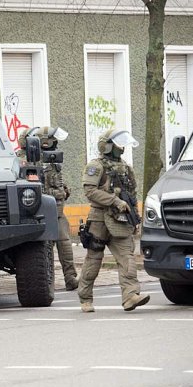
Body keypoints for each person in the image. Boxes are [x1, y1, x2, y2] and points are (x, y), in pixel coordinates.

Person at [78, 128, 149, 312]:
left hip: (121, 220)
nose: (122, 147)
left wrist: (135, 219)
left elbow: (132, 196)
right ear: (107, 146)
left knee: (127, 258)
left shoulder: (125, 168)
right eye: (118, 143)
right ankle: (85, 298)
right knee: (93, 259)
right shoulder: (96, 166)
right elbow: (90, 191)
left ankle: (130, 296)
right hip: (99, 219)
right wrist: (114, 200)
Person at [32, 126, 78, 291]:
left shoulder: (52, 159)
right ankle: (45, 280)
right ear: (45, 142)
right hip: (43, 212)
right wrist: (57, 192)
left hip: (58, 212)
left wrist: (63, 189)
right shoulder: (32, 161)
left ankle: (70, 278)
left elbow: (55, 181)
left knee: (65, 244)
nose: (56, 143)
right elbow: (34, 189)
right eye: (53, 139)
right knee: (44, 249)